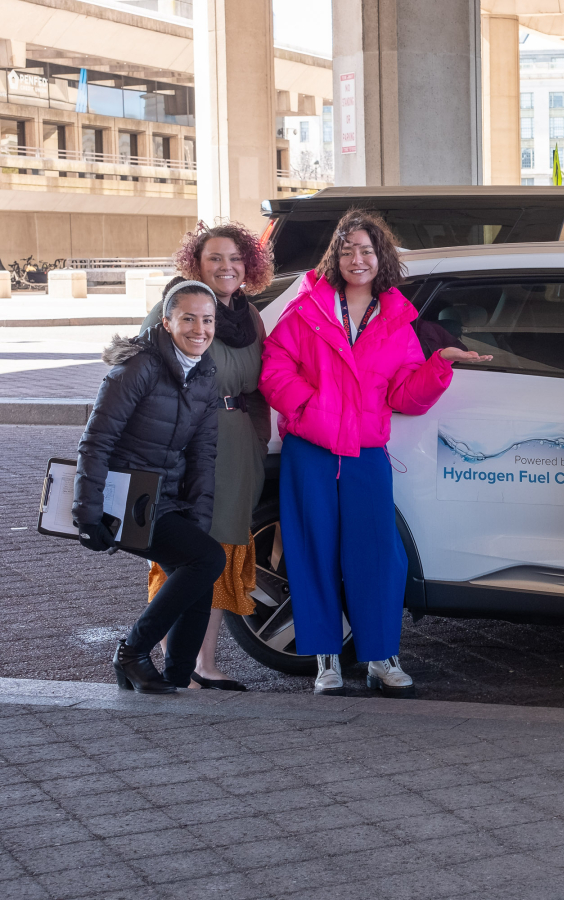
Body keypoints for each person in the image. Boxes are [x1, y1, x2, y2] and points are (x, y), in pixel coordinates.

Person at [259, 209, 490, 697]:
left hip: (365, 454)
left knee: (380, 557)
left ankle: (381, 657)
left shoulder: (398, 319)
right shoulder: (305, 309)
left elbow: (405, 395)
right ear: (336, 258)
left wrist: (439, 366)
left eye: (366, 250)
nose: (357, 259)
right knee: (312, 553)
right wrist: (308, 408)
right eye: (347, 251)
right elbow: (275, 366)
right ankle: (325, 659)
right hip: (312, 451)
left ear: (380, 257)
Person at [140, 223, 274, 691]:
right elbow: (144, 378)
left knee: (221, 553)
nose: (226, 267)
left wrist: (257, 441)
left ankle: (205, 662)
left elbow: (259, 388)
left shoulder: (249, 316)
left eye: (236, 259)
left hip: (238, 447)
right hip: (189, 444)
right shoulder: (177, 307)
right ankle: (160, 653)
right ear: (196, 263)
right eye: (215, 258)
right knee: (185, 553)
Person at [75, 281, 226, 693]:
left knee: (199, 566)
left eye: (207, 320)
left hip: (166, 499)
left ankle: (175, 679)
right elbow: (96, 440)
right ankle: (132, 650)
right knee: (207, 560)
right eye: (188, 318)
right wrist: (87, 514)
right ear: (167, 321)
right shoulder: (139, 367)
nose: (200, 329)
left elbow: (203, 456)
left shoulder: (205, 375)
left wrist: (197, 520)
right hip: (123, 498)